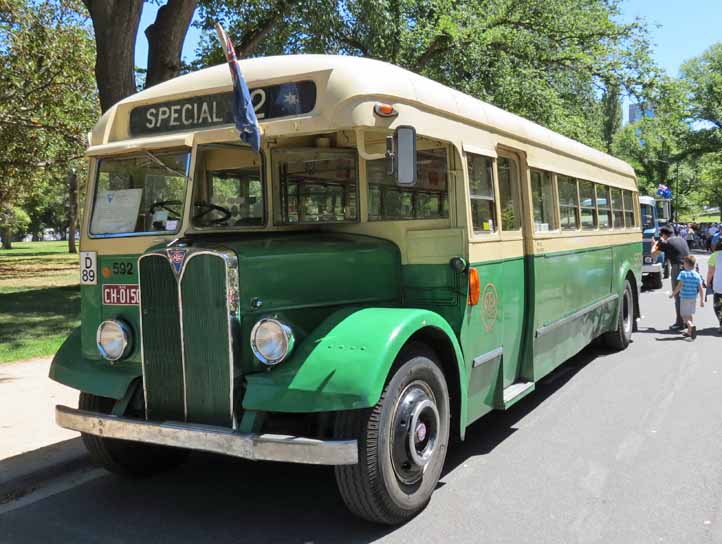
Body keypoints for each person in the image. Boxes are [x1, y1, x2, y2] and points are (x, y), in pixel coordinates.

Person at [652, 226, 690, 329]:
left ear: (663, 235)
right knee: (686, 295)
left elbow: (653, 254)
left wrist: (655, 243)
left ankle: (679, 323)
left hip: (678, 268)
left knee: (677, 295)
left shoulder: (666, 242)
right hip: (689, 267)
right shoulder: (681, 239)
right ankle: (687, 321)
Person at [670, 255, 704, 339]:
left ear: (686, 264)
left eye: (684, 263)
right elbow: (701, 288)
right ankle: (689, 332)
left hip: (684, 298)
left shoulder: (683, 274)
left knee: (684, 316)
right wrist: (702, 300)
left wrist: (673, 294)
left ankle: (691, 326)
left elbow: (679, 286)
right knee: (689, 314)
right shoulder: (697, 275)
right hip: (693, 298)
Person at [707, 240, 722, 334]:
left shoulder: (714, 255)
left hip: (719, 285)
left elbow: (710, 272)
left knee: (718, 306)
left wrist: (708, 282)